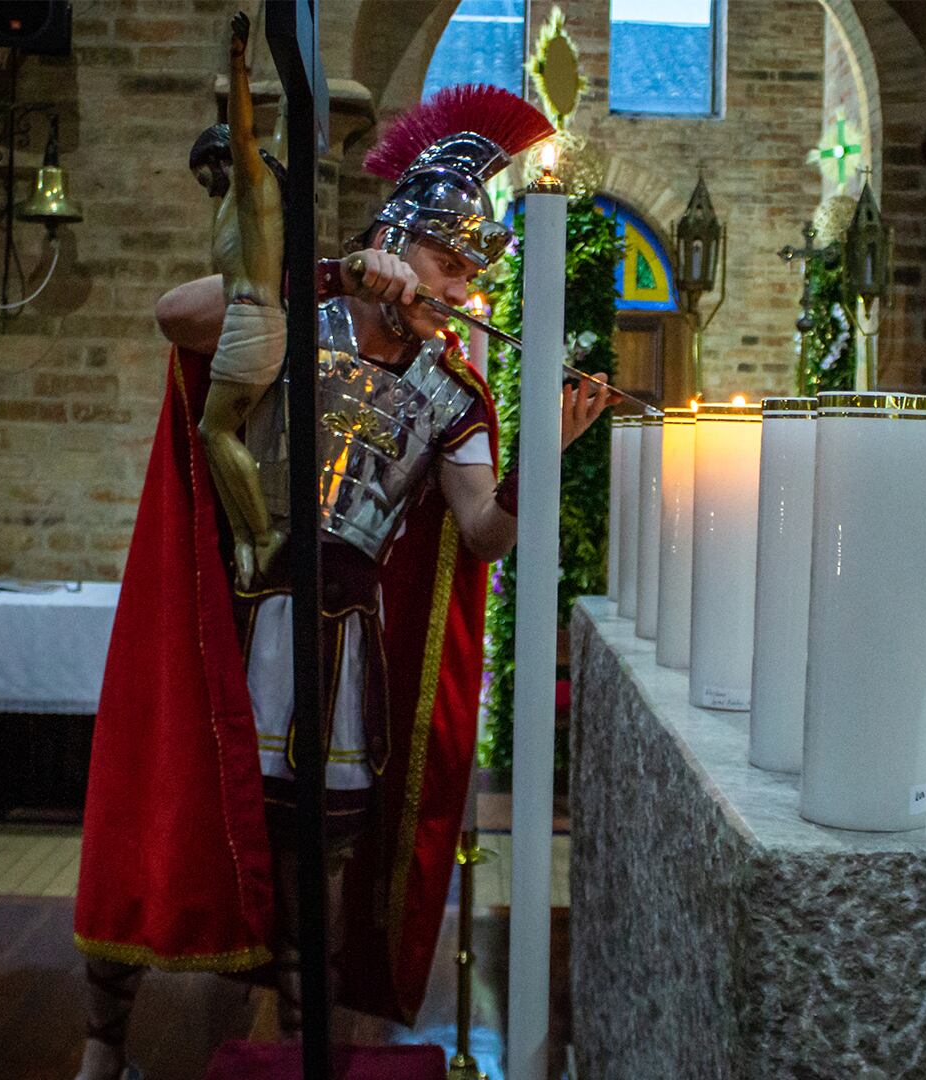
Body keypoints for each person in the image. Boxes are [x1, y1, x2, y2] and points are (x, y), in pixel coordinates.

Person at [70, 19, 607, 1080]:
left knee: (315, 852)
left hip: (345, 635)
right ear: (397, 239)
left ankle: (296, 1051)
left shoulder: (456, 391)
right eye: (448, 264)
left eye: (472, 276)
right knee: (173, 815)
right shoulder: (300, 314)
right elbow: (175, 316)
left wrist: (542, 458)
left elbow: (481, 532)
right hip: (237, 611)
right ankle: (101, 1048)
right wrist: (330, 271)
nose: (460, 291)